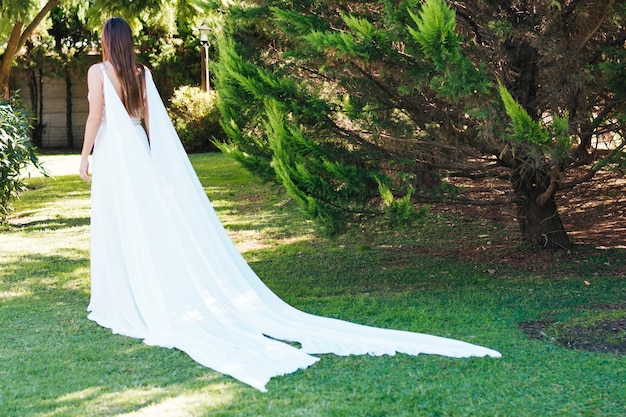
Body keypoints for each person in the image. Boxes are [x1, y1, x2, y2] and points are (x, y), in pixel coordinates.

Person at [79, 17, 500, 392]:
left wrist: (85, 157)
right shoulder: (140, 72)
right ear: (129, 41)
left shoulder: (98, 71)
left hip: (117, 154)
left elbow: (96, 116)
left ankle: (129, 291)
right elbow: (151, 123)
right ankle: (142, 285)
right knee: (144, 222)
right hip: (137, 149)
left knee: (121, 222)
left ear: (106, 40)